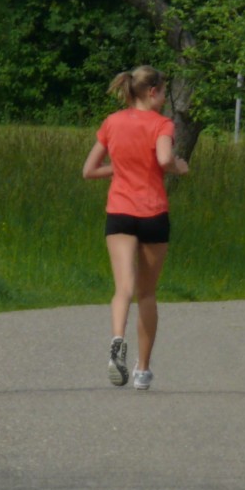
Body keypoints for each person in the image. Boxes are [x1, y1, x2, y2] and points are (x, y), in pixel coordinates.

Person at [82, 65, 189, 391]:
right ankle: (142, 370)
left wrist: (119, 167)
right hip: (152, 212)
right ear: (153, 92)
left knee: (123, 288)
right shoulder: (162, 124)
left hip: (120, 212)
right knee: (147, 292)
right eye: (163, 91)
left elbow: (88, 170)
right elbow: (162, 159)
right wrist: (178, 167)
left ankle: (117, 340)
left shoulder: (112, 122)